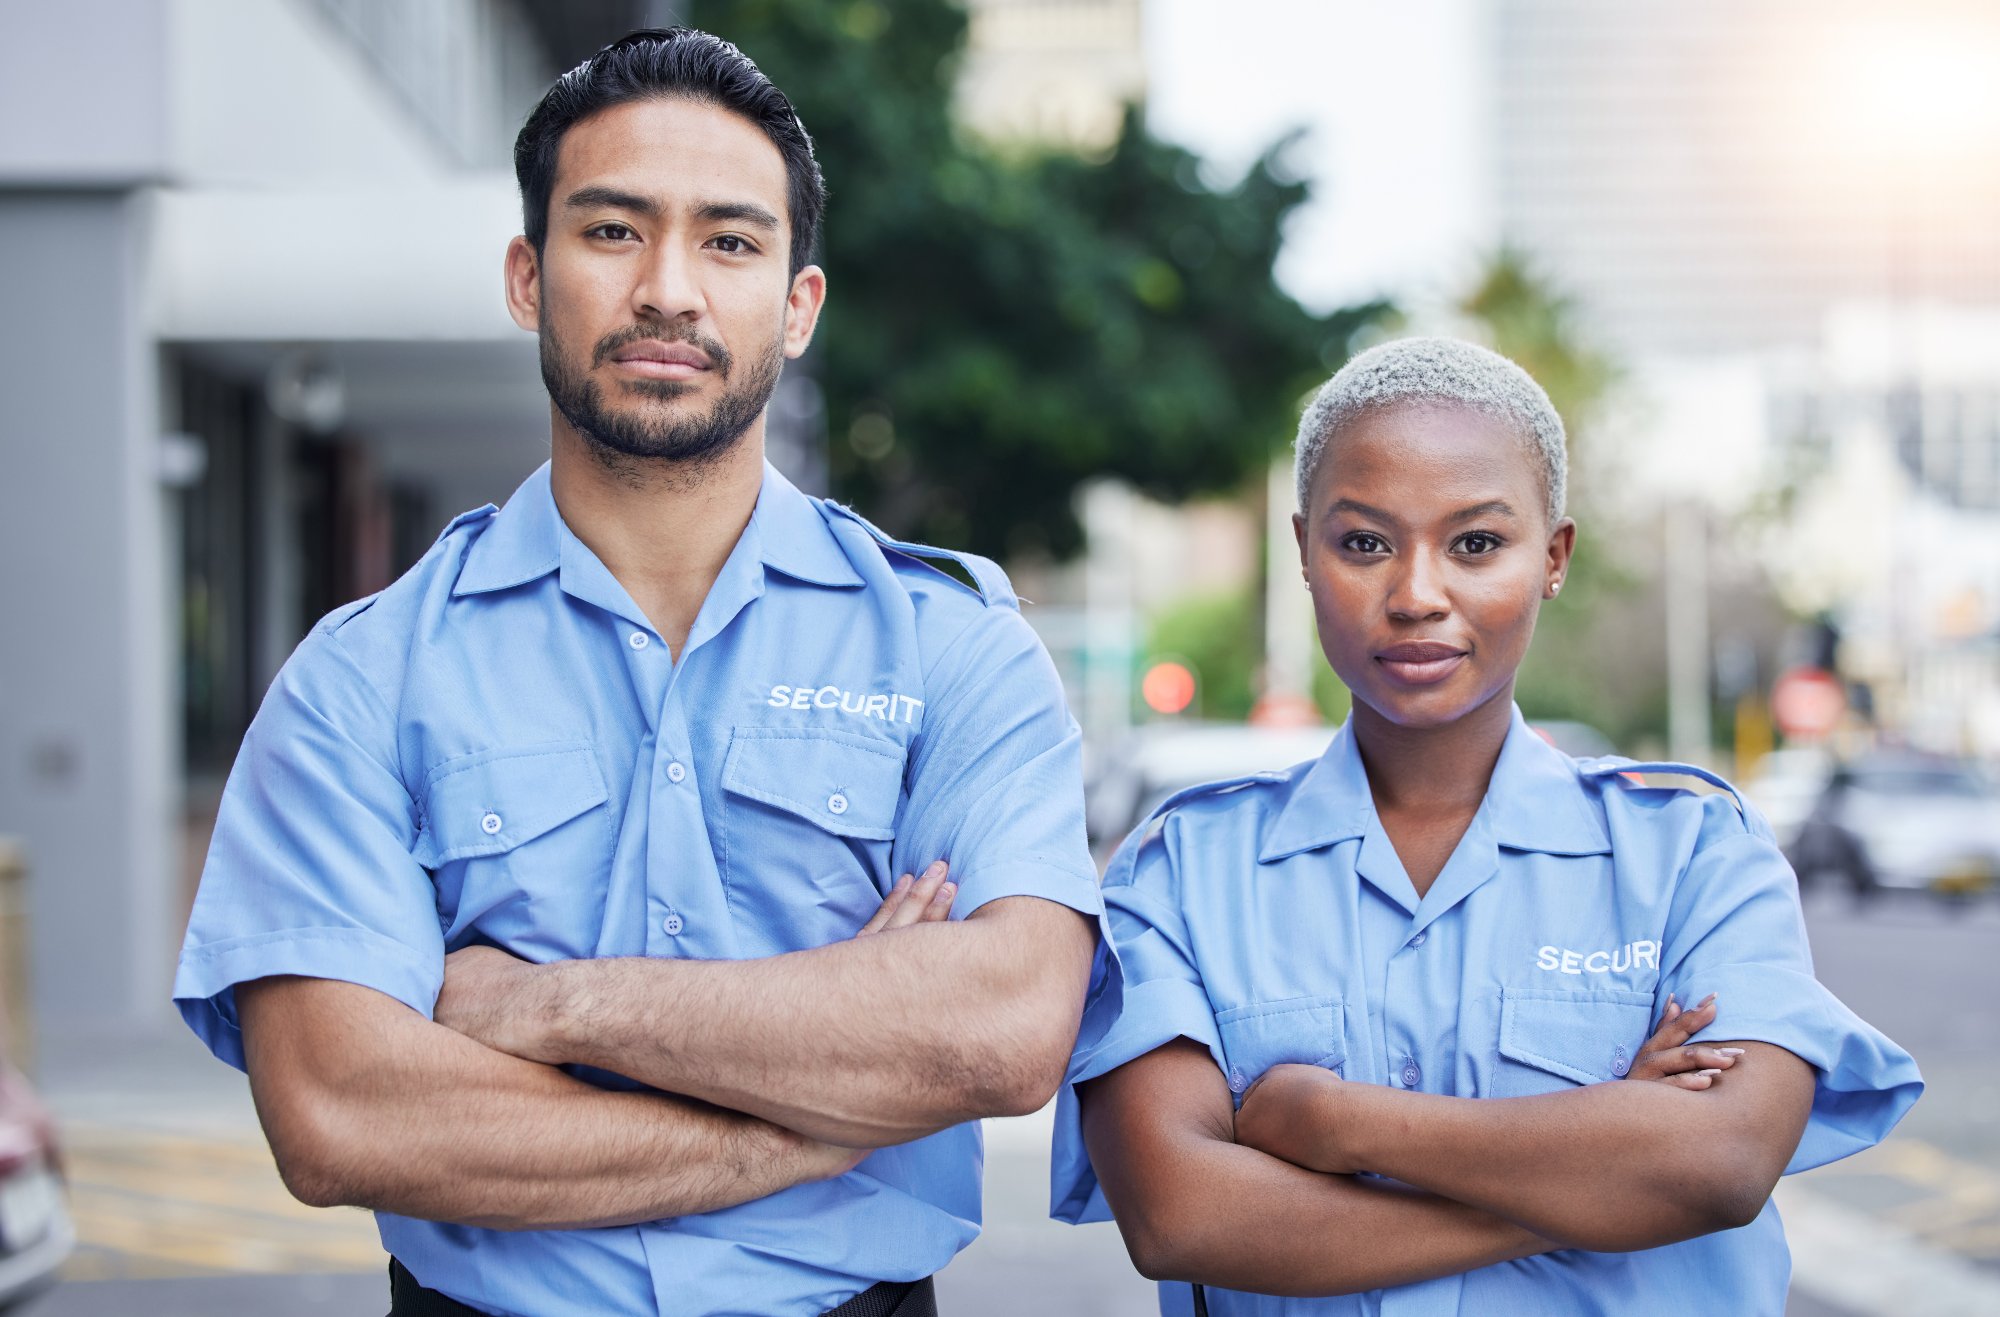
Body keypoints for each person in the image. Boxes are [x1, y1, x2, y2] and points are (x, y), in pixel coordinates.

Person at [173, 29, 1103, 1317]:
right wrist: (809, 1128)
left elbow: (1000, 1033)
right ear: (525, 275)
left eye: (728, 241)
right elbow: (340, 1110)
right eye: (611, 231)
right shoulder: (363, 675)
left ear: (796, 302)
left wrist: (545, 1010)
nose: (669, 290)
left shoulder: (952, 647)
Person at [1050, 336, 1921, 1315]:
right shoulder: (1182, 874)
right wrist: (1602, 1171)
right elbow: (1181, 1219)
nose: (1417, 595)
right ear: (1302, 552)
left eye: (1474, 544)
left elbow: (1718, 1164)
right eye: (1363, 543)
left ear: (1551, 557)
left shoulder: (1692, 852)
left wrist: (1336, 1123)